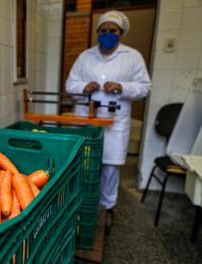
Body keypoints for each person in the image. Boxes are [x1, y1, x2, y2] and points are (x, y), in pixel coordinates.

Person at [65, 10, 151, 234]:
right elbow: (69, 84)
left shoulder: (132, 57)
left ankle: (107, 207)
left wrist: (122, 87)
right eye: (103, 30)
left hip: (115, 121)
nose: (107, 34)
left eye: (112, 31)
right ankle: (80, 203)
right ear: (97, 33)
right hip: (85, 117)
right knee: (82, 163)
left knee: (109, 167)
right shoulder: (86, 56)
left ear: (120, 33)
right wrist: (84, 87)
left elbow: (144, 87)